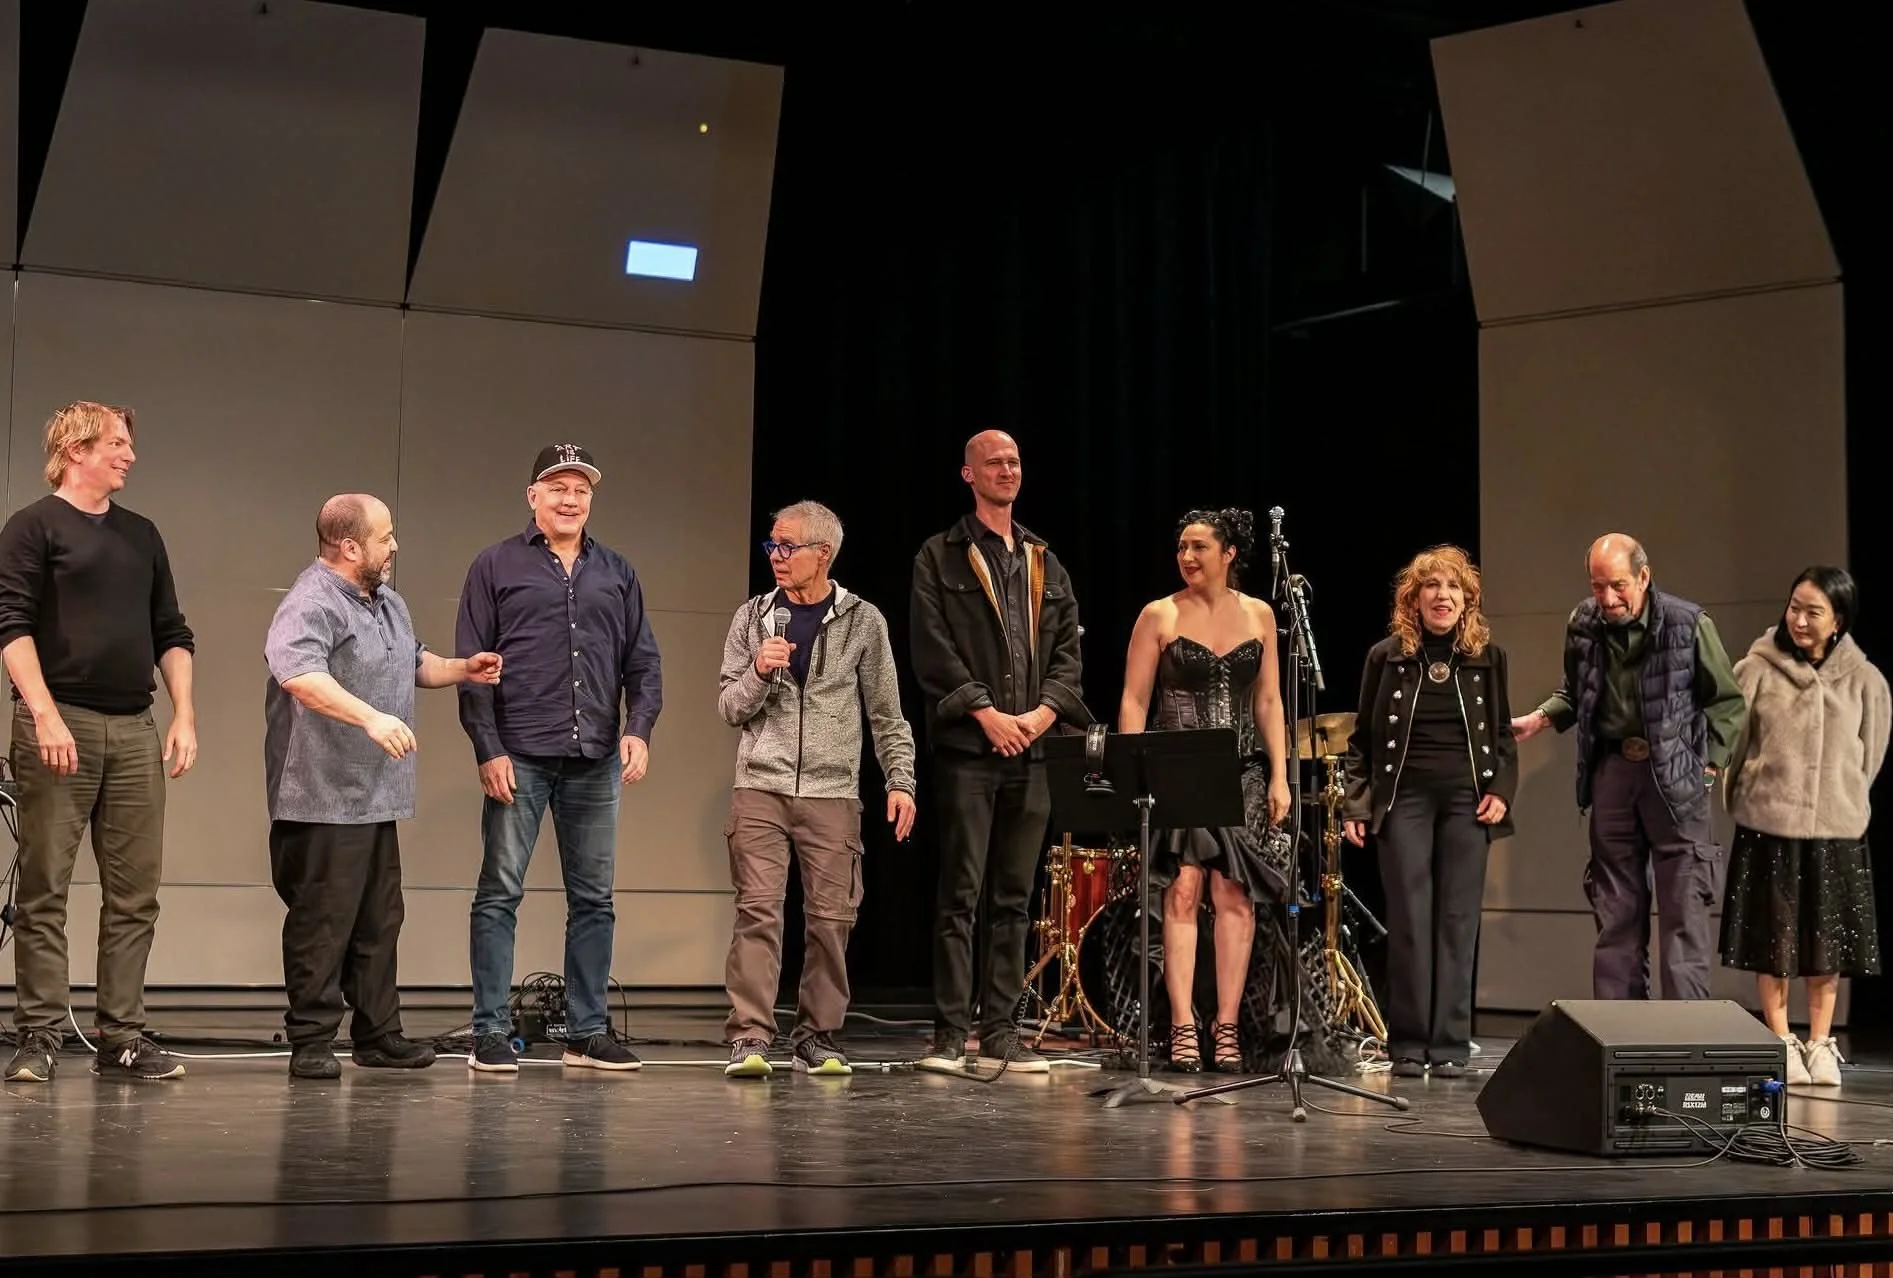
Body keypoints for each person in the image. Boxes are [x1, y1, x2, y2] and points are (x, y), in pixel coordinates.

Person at [265, 495, 504, 1080]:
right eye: (385, 536)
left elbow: (412, 661)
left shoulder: (387, 601)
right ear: (350, 546)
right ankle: (313, 1040)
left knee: (380, 918)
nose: (394, 545)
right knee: (324, 922)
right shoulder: (312, 601)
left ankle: (378, 1033)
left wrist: (461, 668)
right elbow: (297, 673)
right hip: (323, 795)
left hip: (375, 796)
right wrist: (370, 717)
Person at [0, 401, 197, 1083]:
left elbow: (171, 631)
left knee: (135, 892)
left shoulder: (141, 534)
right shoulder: (33, 526)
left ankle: (123, 1037)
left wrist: (184, 715)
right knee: (46, 884)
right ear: (77, 448)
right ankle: (39, 1034)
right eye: (117, 442)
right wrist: (44, 713)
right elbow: (11, 625)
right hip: (60, 723)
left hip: (133, 727)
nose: (130, 455)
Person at [457, 445, 663, 1074]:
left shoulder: (618, 571)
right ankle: (489, 1030)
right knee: (499, 893)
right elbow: (473, 668)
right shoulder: (495, 565)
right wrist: (487, 748)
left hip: (596, 755)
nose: (570, 499)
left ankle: (587, 1031)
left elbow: (643, 661)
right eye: (557, 487)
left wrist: (640, 729)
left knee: (594, 898)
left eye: (580, 489)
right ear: (533, 496)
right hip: (520, 754)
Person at [717, 501, 917, 1079]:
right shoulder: (752, 618)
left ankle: (818, 1034)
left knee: (831, 918)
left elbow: (887, 713)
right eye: (771, 547)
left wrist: (900, 780)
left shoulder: (863, 621)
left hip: (833, 794)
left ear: (821, 554)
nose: (776, 557)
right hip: (760, 786)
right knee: (758, 911)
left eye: (787, 547)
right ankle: (750, 1036)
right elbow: (728, 707)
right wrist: (757, 670)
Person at [910, 430, 1090, 1074]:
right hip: (969, 748)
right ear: (969, 474)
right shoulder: (941, 555)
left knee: (1015, 896)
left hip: (1033, 752)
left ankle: (1003, 1031)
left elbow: (1068, 652)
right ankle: (951, 1033)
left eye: (1015, 461)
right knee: (961, 892)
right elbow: (932, 650)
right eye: (995, 462)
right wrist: (986, 713)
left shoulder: (1044, 558)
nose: (1008, 470)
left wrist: (1040, 717)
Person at [1511, 533, 1746, 1001]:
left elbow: (1728, 702)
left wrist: (1711, 767)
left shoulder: (1687, 623)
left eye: (1617, 585)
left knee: (1684, 912)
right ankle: (1623, 1030)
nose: (1608, 598)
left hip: (1676, 779)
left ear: (1644, 575)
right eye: (1598, 586)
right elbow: (1576, 694)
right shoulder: (1583, 622)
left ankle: (1686, 1034)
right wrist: (1538, 719)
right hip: (1614, 774)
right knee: (1616, 909)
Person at [1117, 509, 1292, 1072]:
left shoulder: (1260, 614)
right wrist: (1133, 769)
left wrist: (1281, 775)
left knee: (1235, 896)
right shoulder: (1159, 614)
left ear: (1229, 554)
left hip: (1241, 769)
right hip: (1177, 764)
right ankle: (1183, 1024)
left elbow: (1268, 701)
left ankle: (1227, 1026)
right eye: (1181, 548)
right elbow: (1134, 701)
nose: (1187, 557)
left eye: (1198, 547)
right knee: (1183, 890)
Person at [1342, 545, 1516, 1078]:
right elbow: (1362, 741)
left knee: (1458, 922)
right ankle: (1408, 1044)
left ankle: (1450, 1046)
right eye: (1432, 587)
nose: (1443, 596)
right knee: (1411, 922)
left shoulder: (1489, 658)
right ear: (1413, 599)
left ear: (1468, 601)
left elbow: (1504, 736)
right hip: (1404, 800)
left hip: (1467, 800)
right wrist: (1356, 801)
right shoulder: (1385, 656)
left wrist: (1503, 790)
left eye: (1453, 588)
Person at [1720, 567, 1888, 1087]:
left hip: (1835, 830)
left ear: (1838, 620)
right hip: (1770, 825)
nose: (1799, 619)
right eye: (1795, 606)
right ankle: (1779, 1038)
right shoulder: (1756, 670)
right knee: (1774, 938)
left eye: (1813, 611)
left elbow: (1871, 755)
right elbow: (1736, 745)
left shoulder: (1866, 680)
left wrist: (1843, 800)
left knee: (1826, 940)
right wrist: (1747, 796)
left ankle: (1819, 1041)